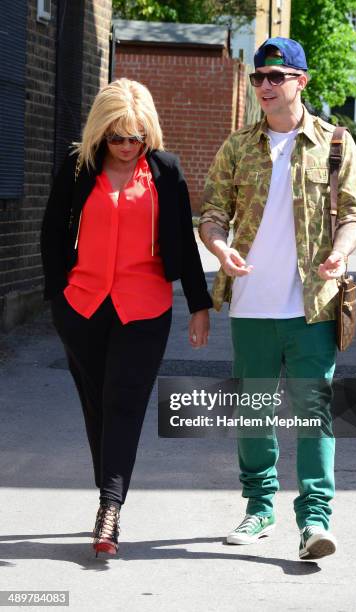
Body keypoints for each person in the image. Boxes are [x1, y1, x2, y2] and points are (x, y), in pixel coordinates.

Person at [199, 38, 356, 559]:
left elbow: (355, 214)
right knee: (253, 414)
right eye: (258, 78)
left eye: (276, 76)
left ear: (301, 81)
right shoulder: (237, 146)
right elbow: (212, 214)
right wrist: (220, 249)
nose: (265, 86)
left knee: (313, 413)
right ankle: (259, 507)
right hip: (250, 305)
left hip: (313, 305)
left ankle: (315, 521)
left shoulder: (335, 143)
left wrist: (339, 252)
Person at [41, 78, 212, 557]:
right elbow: (52, 234)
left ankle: (109, 509)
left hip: (145, 309)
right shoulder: (77, 170)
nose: (125, 146)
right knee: (96, 404)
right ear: (101, 132)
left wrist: (199, 306)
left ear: (148, 134)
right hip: (82, 308)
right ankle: (108, 487)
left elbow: (184, 242)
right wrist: (57, 295)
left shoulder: (166, 173)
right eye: (115, 136)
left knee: (124, 404)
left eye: (134, 137)